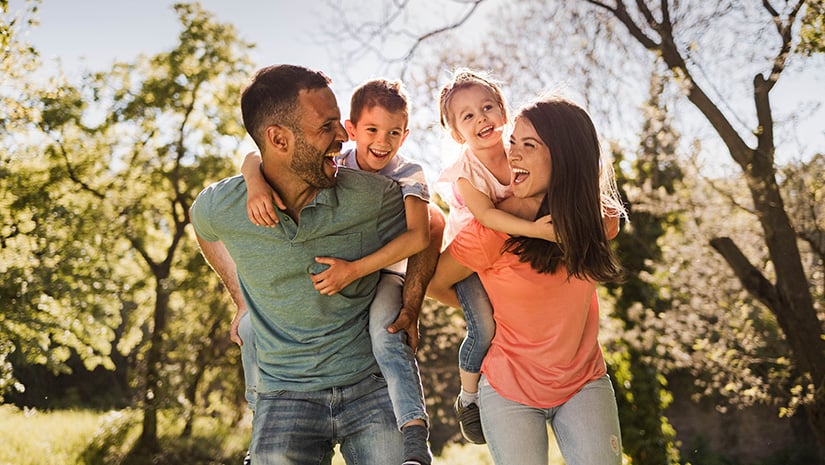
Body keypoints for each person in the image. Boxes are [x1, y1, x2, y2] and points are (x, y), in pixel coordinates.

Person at [191, 64, 431, 465]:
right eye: (327, 126)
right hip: (283, 393)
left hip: (368, 384)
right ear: (278, 139)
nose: (344, 137)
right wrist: (242, 301)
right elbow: (203, 226)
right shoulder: (225, 205)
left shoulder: (373, 196)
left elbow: (430, 228)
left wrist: (412, 304)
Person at [427, 94, 626, 465]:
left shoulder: (600, 221)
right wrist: (488, 316)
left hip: (583, 380)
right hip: (509, 388)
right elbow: (436, 284)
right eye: (513, 142)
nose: (512, 154)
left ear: (563, 155)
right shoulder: (490, 232)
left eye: (528, 145)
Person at [434, 68, 556, 444]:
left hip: (504, 251)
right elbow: (487, 217)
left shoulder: (519, 152)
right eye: (468, 116)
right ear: (457, 133)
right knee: (484, 327)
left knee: (521, 318)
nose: (481, 118)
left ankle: (525, 387)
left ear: (504, 111)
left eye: (487, 107)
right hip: (468, 259)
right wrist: (537, 230)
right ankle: (468, 396)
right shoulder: (465, 172)